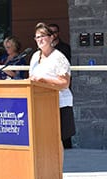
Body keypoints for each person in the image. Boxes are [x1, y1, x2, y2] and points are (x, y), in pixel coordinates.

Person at [29, 22, 76, 160]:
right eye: (37, 37)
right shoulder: (34, 57)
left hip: (58, 104)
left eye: (43, 36)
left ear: (51, 38)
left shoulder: (59, 57)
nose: (40, 40)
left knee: (55, 140)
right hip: (39, 103)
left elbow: (64, 83)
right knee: (42, 141)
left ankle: (56, 175)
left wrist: (43, 80)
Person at [48, 23, 73, 148]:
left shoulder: (64, 49)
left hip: (61, 89)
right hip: (46, 93)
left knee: (64, 122)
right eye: (50, 32)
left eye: (54, 32)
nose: (52, 35)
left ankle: (66, 144)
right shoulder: (39, 53)